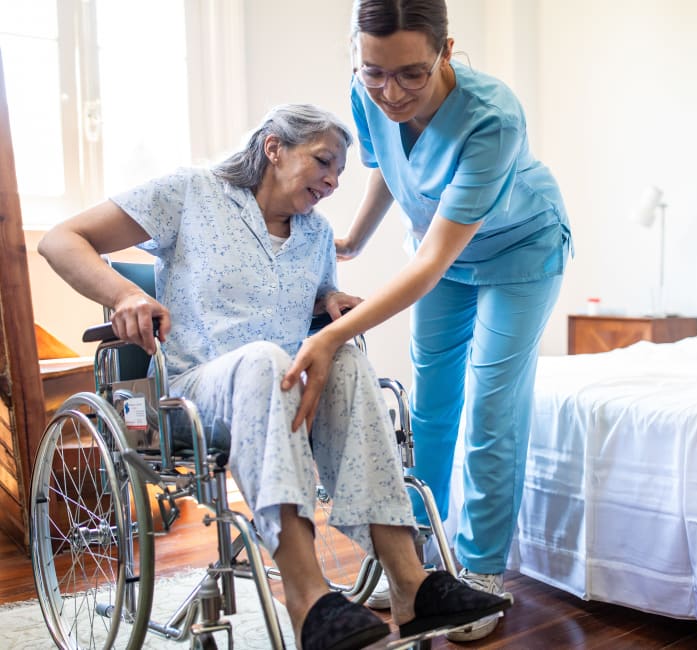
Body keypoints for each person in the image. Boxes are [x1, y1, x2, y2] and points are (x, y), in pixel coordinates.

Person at [37, 103, 510, 650]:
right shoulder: (191, 193)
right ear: (274, 148)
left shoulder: (315, 234)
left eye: (340, 173)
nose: (333, 181)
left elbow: (310, 302)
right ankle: (308, 599)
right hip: (198, 392)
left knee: (347, 357)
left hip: (287, 397)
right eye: (324, 162)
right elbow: (61, 239)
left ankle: (410, 584)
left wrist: (329, 299)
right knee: (264, 358)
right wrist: (125, 294)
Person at [281, 1, 572, 642]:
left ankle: (482, 570)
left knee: (492, 404)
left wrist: (332, 335)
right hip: (440, 252)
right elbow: (392, 167)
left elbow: (436, 260)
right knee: (431, 408)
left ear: (446, 51)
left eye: (411, 74)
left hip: (517, 252)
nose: (391, 93)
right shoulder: (369, 89)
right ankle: (417, 565)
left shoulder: (492, 118)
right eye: (374, 73)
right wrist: (352, 238)